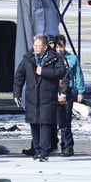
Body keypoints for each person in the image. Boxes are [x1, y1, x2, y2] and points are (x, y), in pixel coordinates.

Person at [13, 34, 66, 162]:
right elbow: (19, 76)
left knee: (45, 124)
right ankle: (36, 149)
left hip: (47, 96)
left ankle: (44, 151)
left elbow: (61, 72)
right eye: (34, 45)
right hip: (32, 96)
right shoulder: (28, 58)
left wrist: (44, 72)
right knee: (34, 123)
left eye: (38, 46)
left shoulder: (55, 58)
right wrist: (17, 93)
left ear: (45, 47)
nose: (35, 48)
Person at [55, 34, 85, 158]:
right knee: (55, 120)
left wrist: (80, 91)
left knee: (65, 120)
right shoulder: (52, 58)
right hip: (53, 92)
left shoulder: (72, 58)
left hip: (68, 92)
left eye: (61, 46)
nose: (59, 49)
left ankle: (68, 146)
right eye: (57, 47)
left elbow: (78, 75)